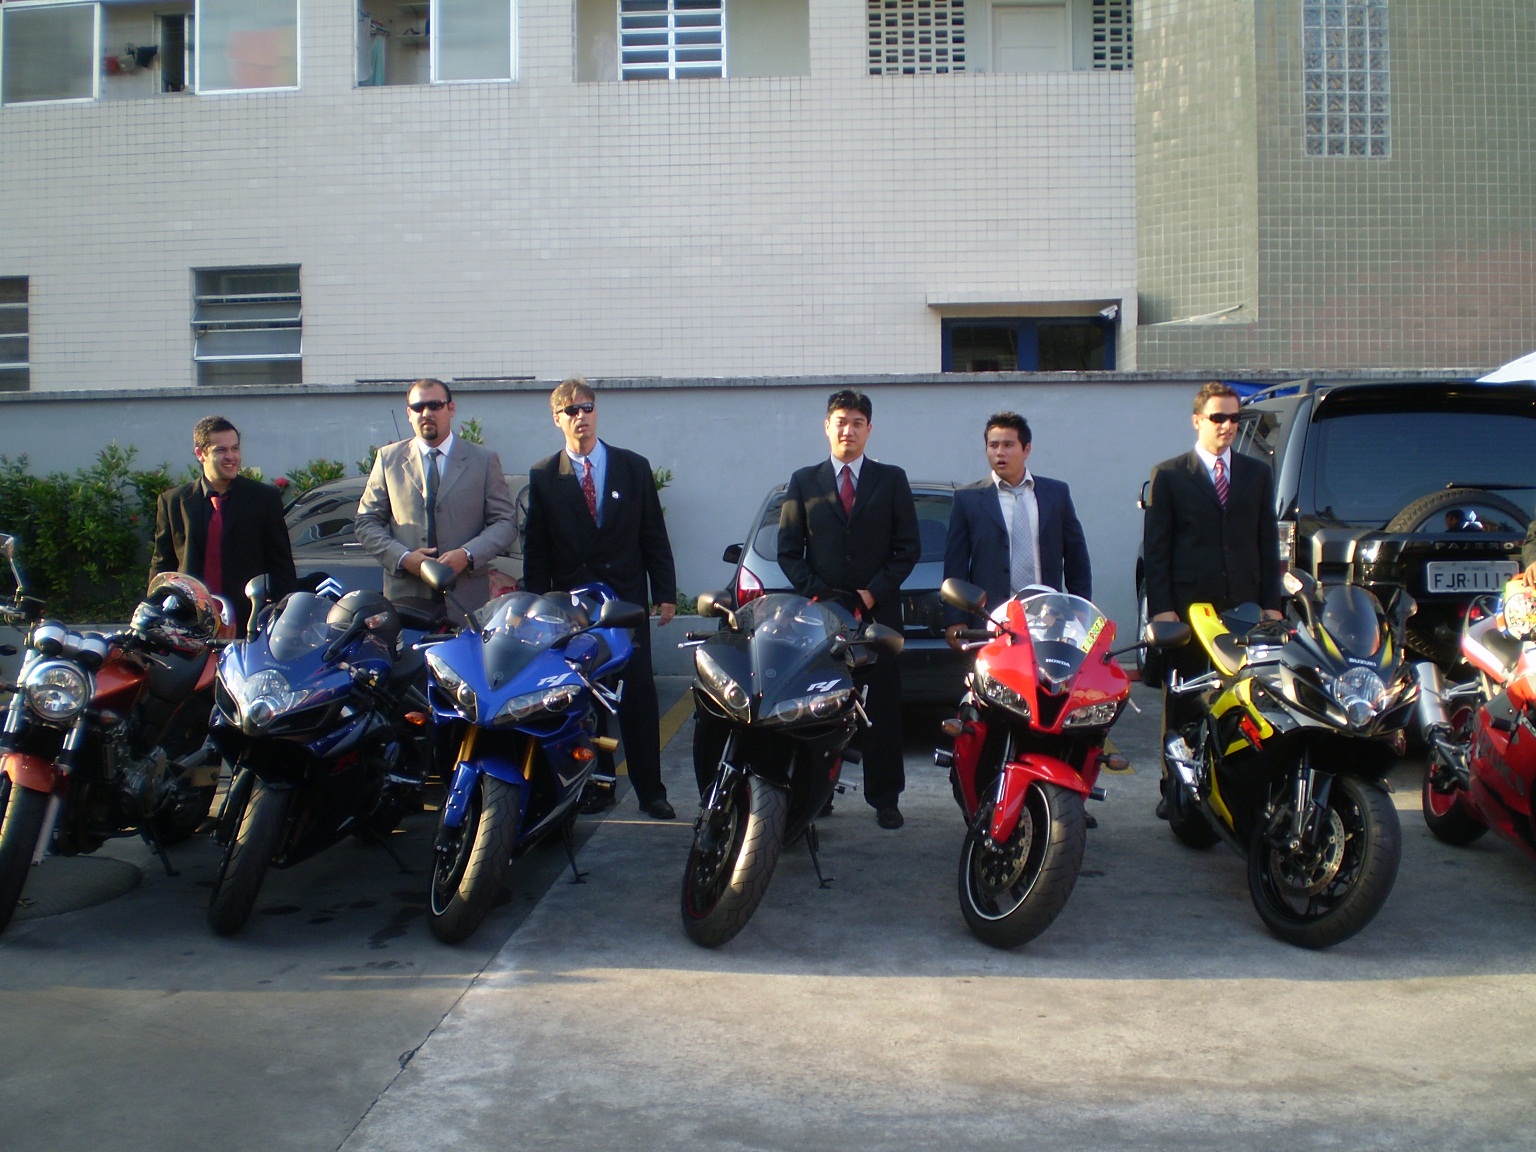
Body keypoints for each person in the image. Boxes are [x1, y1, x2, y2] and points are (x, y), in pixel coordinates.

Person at [523, 378, 680, 820]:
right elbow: (537, 548)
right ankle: (600, 784)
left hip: (625, 603)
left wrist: (665, 593)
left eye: (587, 408)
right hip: (576, 609)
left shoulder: (632, 467)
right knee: (588, 700)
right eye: (571, 411)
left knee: (637, 696)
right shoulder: (544, 475)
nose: (582, 417)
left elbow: (653, 534)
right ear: (557, 419)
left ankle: (651, 791)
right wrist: (537, 607)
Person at [777, 389, 920, 829]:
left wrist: (873, 593)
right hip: (821, 615)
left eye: (858, 422)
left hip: (877, 615)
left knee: (882, 707)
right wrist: (820, 594)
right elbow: (789, 551)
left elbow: (908, 547)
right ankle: (815, 798)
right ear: (827, 426)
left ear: (869, 429)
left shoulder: (891, 479)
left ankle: (885, 798)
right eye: (841, 421)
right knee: (817, 707)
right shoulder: (804, 481)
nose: (848, 430)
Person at [1142, 381, 1284, 818]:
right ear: (1197, 420)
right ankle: (1176, 791)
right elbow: (1157, 549)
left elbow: (1267, 543)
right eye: (1218, 417)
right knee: (1186, 698)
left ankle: (1233, 787)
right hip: (1189, 610)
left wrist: (1272, 603)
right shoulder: (1170, 475)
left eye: (1234, 418)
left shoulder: (1256, 474)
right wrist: (1163, 609)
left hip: (1243, 609)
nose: (1227, 426)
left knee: (1242, 699)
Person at [354, 379, 518, 619]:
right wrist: (403, 558)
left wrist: (468, 554)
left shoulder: (482, 460)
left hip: (465, 598)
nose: (426, 413)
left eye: (435, 405)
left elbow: (505, 523)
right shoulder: (389, 459)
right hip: (407, 599)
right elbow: (366, 521)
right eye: (418, 407)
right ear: (409, 413)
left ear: (451, 409)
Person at [942, 411, 1091, 648]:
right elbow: (956, 563)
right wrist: (955, 619)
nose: (1000, 452)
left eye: (1008, 445)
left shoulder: (1056, 494)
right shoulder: (968, 498)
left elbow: (1076, 556)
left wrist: (1081, 608)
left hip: (1049, 617)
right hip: (992, 619)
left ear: (1026, 449)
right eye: (993, 445)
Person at [150, 415, 296, 638]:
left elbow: (281, 565)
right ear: (201, 454)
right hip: (189, 622)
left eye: (235, 448)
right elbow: (162, 566)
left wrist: (283, 617)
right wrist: (155, 611)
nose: (231, 457)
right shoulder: (174, 501)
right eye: (221, 450)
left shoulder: (264, 499)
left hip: (247, 622)